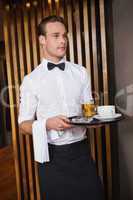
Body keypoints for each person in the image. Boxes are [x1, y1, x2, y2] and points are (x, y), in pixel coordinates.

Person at [18, 15, 104, 200]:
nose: (63, 40)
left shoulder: (81, 72)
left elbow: (88, 110)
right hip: (52, 158)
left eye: (65, 35)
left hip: (82, 153)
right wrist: (47, 124)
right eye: (56, 35)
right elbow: (23, 124)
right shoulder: (31, 80)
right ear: (42, 40)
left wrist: (94, 120)